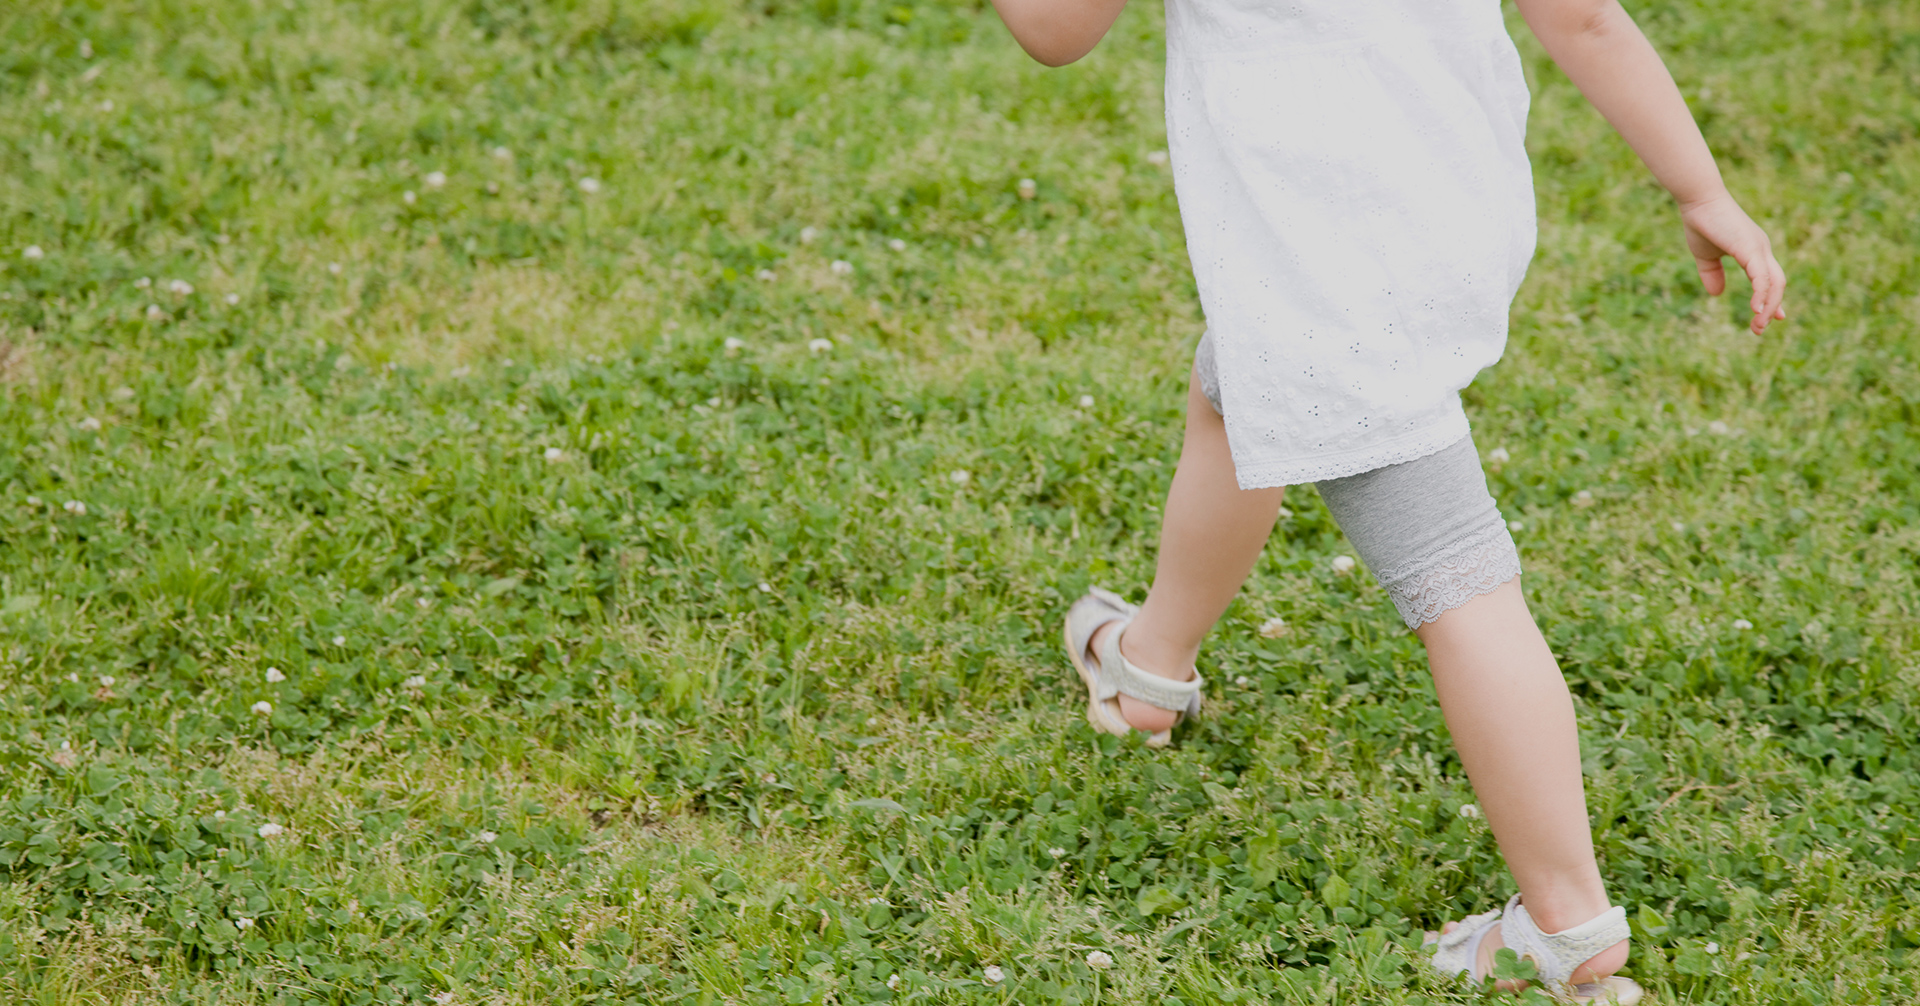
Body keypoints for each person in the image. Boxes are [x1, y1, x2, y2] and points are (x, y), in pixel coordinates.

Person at [990, 0, 1787, 1000]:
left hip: (1323, 256)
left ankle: (1566, 922)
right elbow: (1582, 15)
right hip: (1442, 203)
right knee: (1237, 389)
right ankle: (1151, 666)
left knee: (1456, 574)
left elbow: (1053, 29)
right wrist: (1699, 184)